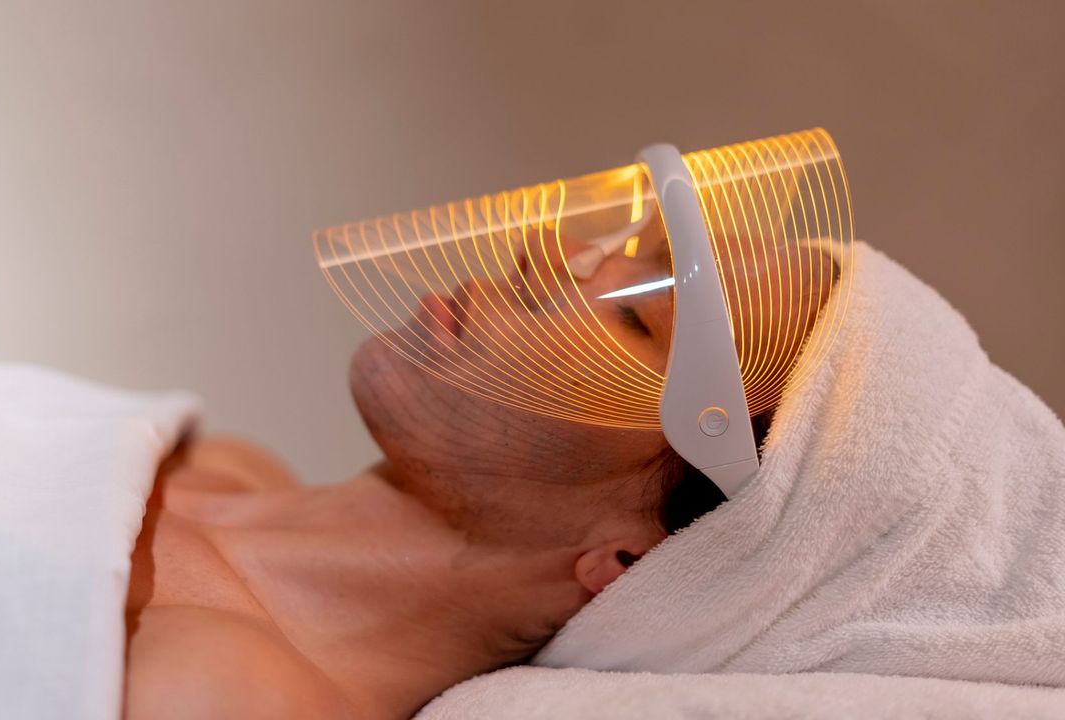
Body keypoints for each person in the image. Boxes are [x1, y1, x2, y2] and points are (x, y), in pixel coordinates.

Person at [123, 232, 831, 720]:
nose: (545, 257)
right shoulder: (211, 465)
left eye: (636, 318)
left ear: (628, 558)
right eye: (626, 253)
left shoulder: (223, 694)